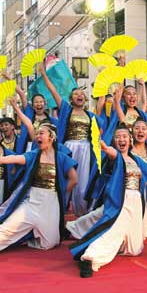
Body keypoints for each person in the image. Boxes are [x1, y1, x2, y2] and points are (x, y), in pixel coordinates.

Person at [0, 123, 78, 261]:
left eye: (41, 133)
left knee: (50, 243)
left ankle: (28, 235)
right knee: (8, 228)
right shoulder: (33, 155)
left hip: (51, 204)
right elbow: (15, 158)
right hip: (31, 202)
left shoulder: (61, 157)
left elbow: (74, 179)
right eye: (37, 133)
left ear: (51, 137)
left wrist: (60, 192)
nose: (38, 136)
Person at [69, 124, 147, 278]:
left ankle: (74, 228)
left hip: (136, 202)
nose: (122, 139)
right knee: (113, 232)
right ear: (114, 141)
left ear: (130, 140)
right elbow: (111, 153)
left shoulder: (137, 161)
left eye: (125, 136)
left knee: (134, 250)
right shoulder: (115, 158)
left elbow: (146, 179)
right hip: (122, 202)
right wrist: (103, 146)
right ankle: (90, 258)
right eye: (118, 137)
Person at [39, 61, 100, 216]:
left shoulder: (90, 115)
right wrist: (44, 75)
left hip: (86, 149)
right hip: (69, 148)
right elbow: (53, 90)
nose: (79, 95)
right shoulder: (66, 109)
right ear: (71, 99)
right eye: (76, 94)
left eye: (82, 94)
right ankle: (58, 212)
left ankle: (83, 215)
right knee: (65, 180)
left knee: (83, 183)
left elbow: (102, 107)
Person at [15, 85, 58, 151]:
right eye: (36, 102)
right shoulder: (29, 114)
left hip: (46, 148)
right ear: (32, 105)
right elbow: (22, 94)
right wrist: (10, 80)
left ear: (45, 104)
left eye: (41, 102)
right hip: (30, 147)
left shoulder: (53, 121)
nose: (39, 104)